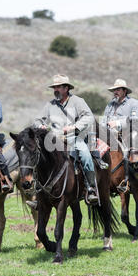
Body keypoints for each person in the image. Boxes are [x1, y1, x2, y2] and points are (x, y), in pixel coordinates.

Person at [34, 74, 99, 204]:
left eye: (58, 87)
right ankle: (38, 191)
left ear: (66, 88)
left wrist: (74, 127)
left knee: (85, 154)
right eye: (54, 87)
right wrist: (41, 126)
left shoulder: (78, 101)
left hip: (73, 136)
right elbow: (37, 119)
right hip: (53, 139)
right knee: (38, 155)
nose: (55, 90)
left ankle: (91, 187)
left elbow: (89, 117)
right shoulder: (50, 105)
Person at [101, 79, 138, 190]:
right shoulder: (110, 105)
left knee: (132, 152)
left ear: (125, 91)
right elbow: (103, 121)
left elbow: (135, 121)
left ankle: (130, 179)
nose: (115, 92)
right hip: (109, 135)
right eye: (114, 90)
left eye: (118, 89)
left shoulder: (134, 104)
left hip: (127, 133)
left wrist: (117, 123)